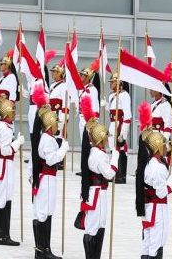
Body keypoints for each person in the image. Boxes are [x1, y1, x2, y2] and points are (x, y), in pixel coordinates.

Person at [77, 96, 118, 259]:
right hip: (96, 194)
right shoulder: (99, 156)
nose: (107, 140)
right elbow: (109, 174)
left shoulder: (97, 153)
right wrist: (115, 156)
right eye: (106, 138)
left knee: (99, 226)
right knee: (94, 228)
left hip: (98, 192)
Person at [136, 114, 172, 258]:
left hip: (149, 208)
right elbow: (161, 192)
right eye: (164, 145)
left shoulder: (150, 163)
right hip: (157, 209)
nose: (166, 147)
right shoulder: (157, 167)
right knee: (157, 244)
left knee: (147, 244)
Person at [31, 96, 67, 259]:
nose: (57, 125)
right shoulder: (46, 139)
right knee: (43, 213)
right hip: (47, 178)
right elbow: (52, 159)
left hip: (49, 178)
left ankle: (45, 248)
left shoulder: (47, 138)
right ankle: (41, 250)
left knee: (47, 211)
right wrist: (63, 150)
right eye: (56, 123)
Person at [0, 96, 24, 245]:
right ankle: (2, 235)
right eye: (13, 111)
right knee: (4, 198)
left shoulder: (4, 126)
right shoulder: (5, 128)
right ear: (6, 113)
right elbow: (4, 150)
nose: (15, 113)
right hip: (4, 165)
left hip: (1, 165)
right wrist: (17, 143)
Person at [105, 73, 131, 184]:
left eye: (113, 82)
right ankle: (115, 172)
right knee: (112, 148)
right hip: (112, 123)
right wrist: (106, 105)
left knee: (120, 149)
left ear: (119, 83)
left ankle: (122, 175)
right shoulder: (112, 95)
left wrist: (123, 133)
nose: (111, 84)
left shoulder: (124, 95)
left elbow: (128, 115)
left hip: (120, 124)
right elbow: (111, 110)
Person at [48, 62, 68, 138]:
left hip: (58, 113)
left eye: (54, 72)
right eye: (52, 71)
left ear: (59, 73)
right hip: (51, 113)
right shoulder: (52, 85)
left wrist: (63, 116)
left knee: (58, 135)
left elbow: (65, 102)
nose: (52, 73)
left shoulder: (64, 85)